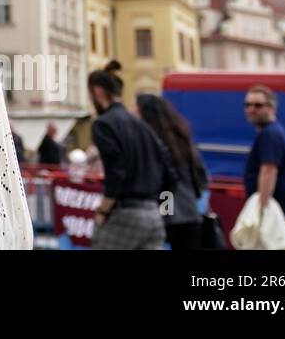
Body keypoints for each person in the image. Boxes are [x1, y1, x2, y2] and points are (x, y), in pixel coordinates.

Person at [87, 62, 174, 250]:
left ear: (98, 91)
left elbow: (116, 171)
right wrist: (163, 209)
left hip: (125, 213)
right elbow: (169, 172)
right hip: (153, 215)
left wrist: (103, 209)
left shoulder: (103, 124)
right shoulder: (142, 126)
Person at [136, 93, 209, 249]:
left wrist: (165, 210)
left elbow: (166, 183)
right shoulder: (182, 138)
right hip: (189, 212)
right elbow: (201, 176)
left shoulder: (153, 142)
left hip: (166, 216)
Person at [243, 84, 285, 238]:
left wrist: (261, 211)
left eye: (258, 105)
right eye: (247, 104)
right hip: (279, 213)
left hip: (277, 215)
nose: (251, 109)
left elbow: (268, 171)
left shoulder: (270, 134)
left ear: (272, 108)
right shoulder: (271, 132)